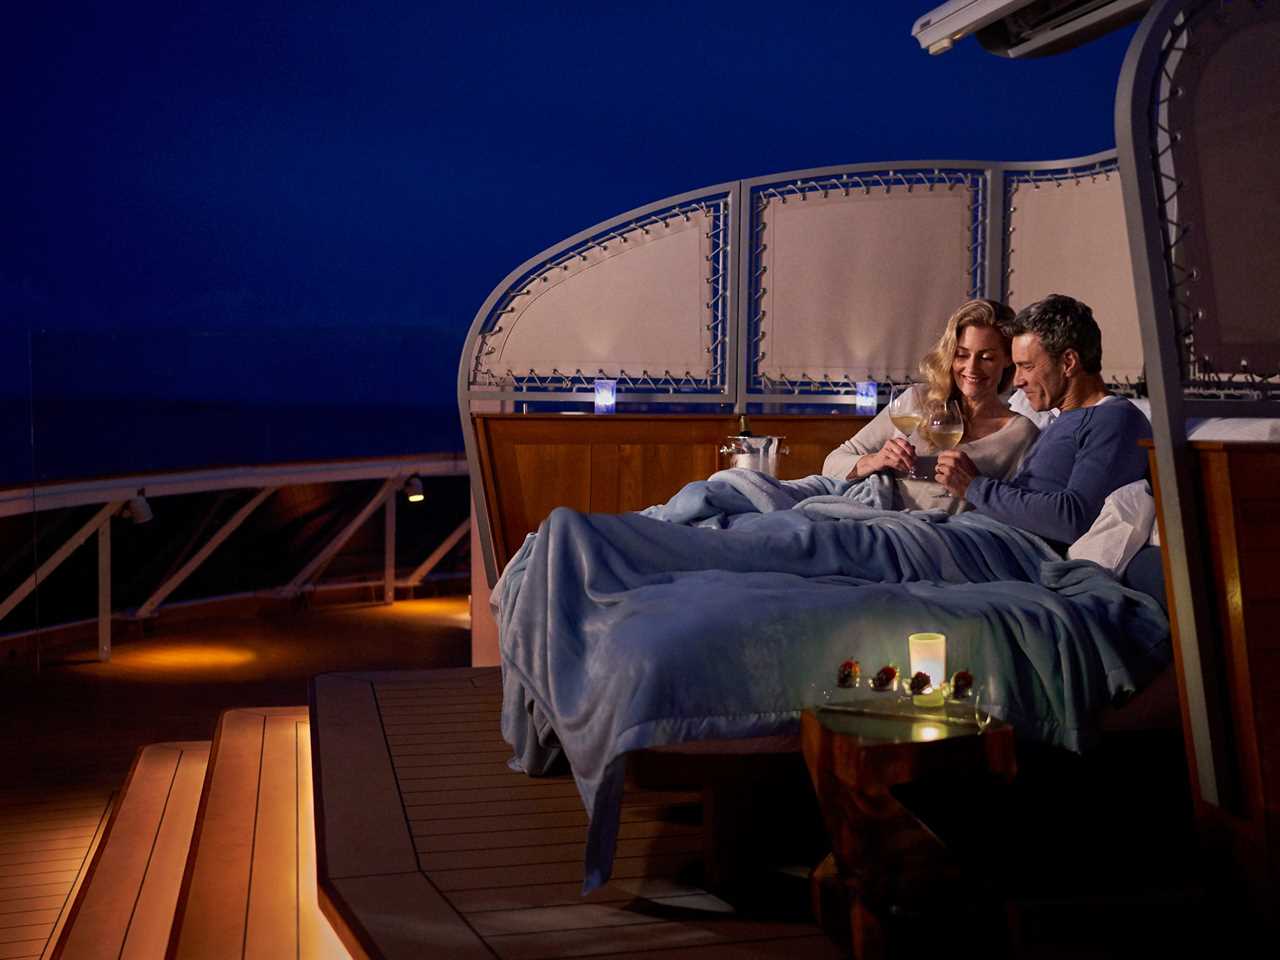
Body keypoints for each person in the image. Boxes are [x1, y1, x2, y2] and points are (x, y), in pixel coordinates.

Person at [936, 293, 1152, 546]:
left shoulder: (1116, 421)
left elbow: (1072, 518)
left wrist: (975, 487)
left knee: (882, 544)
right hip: (970, 532)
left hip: (995, 548)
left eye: (1026, 366)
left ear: (1068, 362)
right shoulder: (1062, 420)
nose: (1017, 380)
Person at [822, 298, 1040, 512]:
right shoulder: (916, 400)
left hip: (942, 538)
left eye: (986, 358)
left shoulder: (1021, 433)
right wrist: (875, 460)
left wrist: (974, 485)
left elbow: (1021, 509)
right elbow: (831, 464)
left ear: (1008, 359)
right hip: (881, 521)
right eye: (961, 355)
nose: (971, 368)